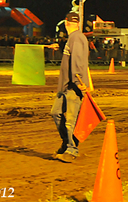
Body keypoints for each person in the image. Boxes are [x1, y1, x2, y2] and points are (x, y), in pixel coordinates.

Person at [49, 12, 90, 163]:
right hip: (65, 87)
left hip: (73, 86)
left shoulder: (77, 38)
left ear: (66, 23)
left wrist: (79, 83)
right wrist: (60, 47)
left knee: (71, 120)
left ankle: (72, 150)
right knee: (56, 113)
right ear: (78, 23)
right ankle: (66, 143)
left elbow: (77, 62)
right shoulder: (73, 39)